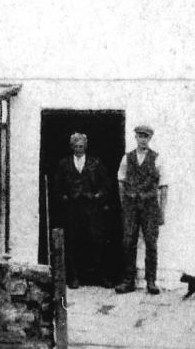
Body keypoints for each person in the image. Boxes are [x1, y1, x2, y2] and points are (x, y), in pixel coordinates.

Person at [52, 133, 113, 289]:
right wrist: (64, 197)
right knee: (72, 242)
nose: (78, 149)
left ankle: (100, 276)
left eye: (81, 146)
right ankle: (73, 277)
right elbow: (57, 187)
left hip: (92, 210)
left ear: (85, 146)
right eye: (76, 146)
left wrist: (97, 196)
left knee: (96, 242)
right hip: (72, 210)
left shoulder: (95, 163)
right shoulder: (64, 164)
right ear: (71, 147)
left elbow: (106, 185)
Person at [116, 124, 168, 295]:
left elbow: (163, 186)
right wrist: (125, 205)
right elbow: (121, 182)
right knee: (128, 242)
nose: (143, 140)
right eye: (140, 136)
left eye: (146, 137)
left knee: (151, 243)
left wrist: (162, 211)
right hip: (131, 206)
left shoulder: (156, 158)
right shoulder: (127, 158)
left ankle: (151, 281)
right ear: (136, 137)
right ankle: (128, 281)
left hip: (150, 207)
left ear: (150, 138)